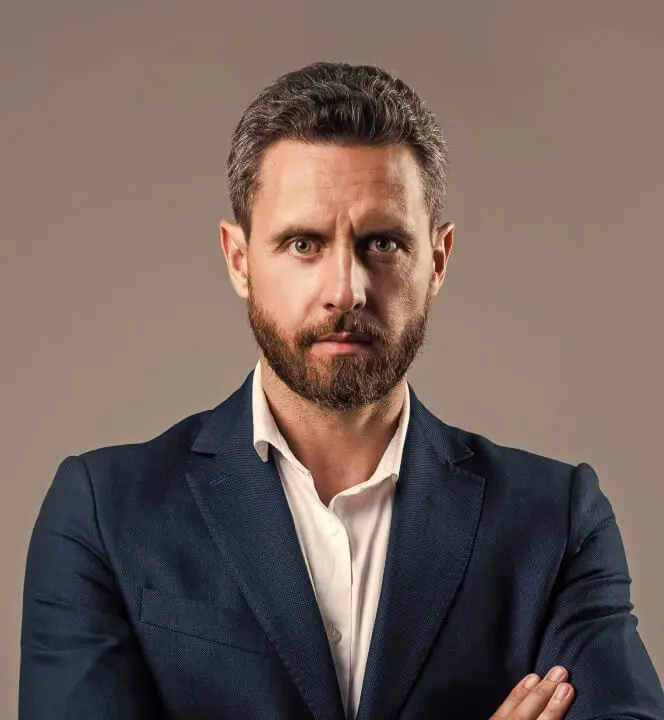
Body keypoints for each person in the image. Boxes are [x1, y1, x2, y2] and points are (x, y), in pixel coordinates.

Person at [19, 62, 664, 720]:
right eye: (303, 243)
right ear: (239, 260)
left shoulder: (554, 520)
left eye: (382, 243)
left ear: (438, 260)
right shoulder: (104, 514)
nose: (346, 290)